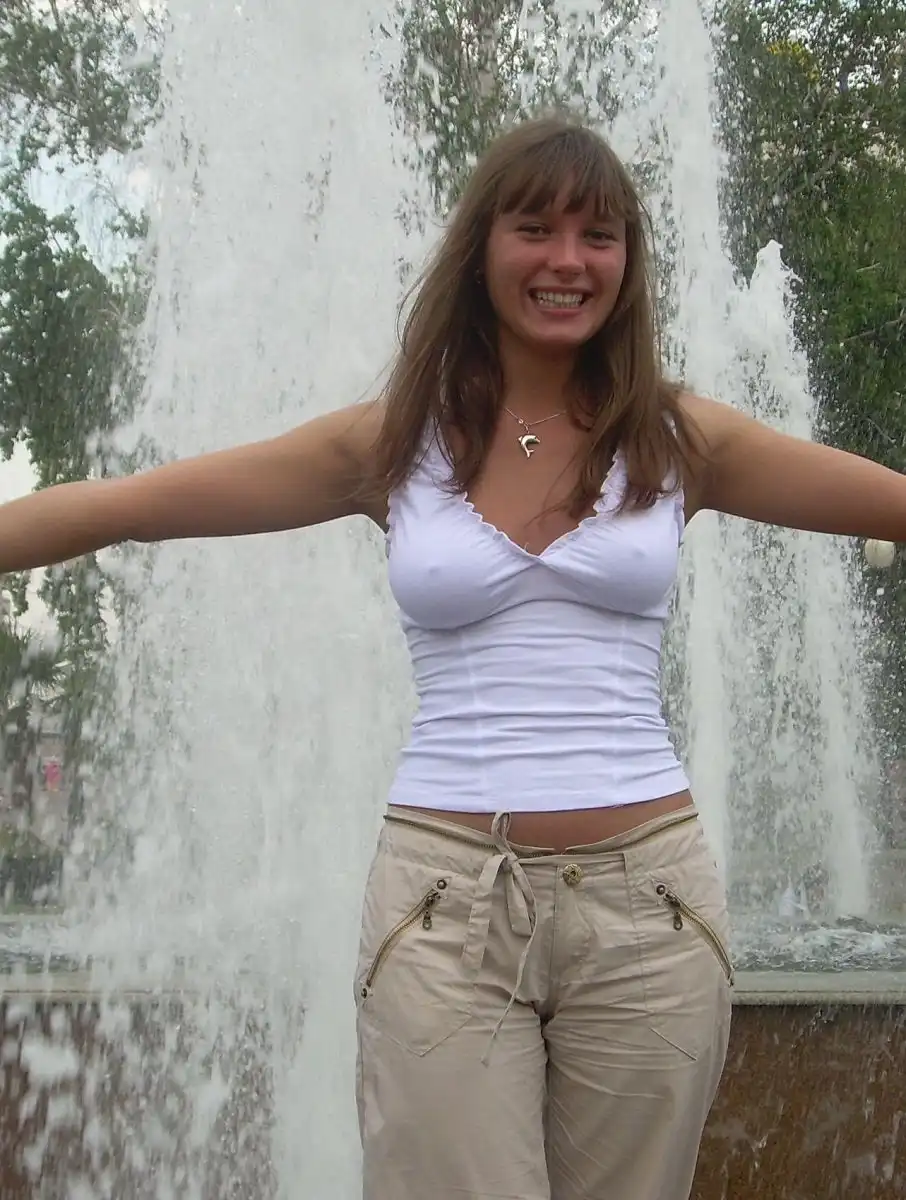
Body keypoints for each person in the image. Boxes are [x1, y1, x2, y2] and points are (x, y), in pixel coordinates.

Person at [0, 114, 903, 1200]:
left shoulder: (678, 440)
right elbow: (133, 507)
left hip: (650, 906)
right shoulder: (392, 443)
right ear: (481, 249)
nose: (569, 260)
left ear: (628, 262)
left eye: (599, 235)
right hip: (444, 905)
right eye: (536, 229)